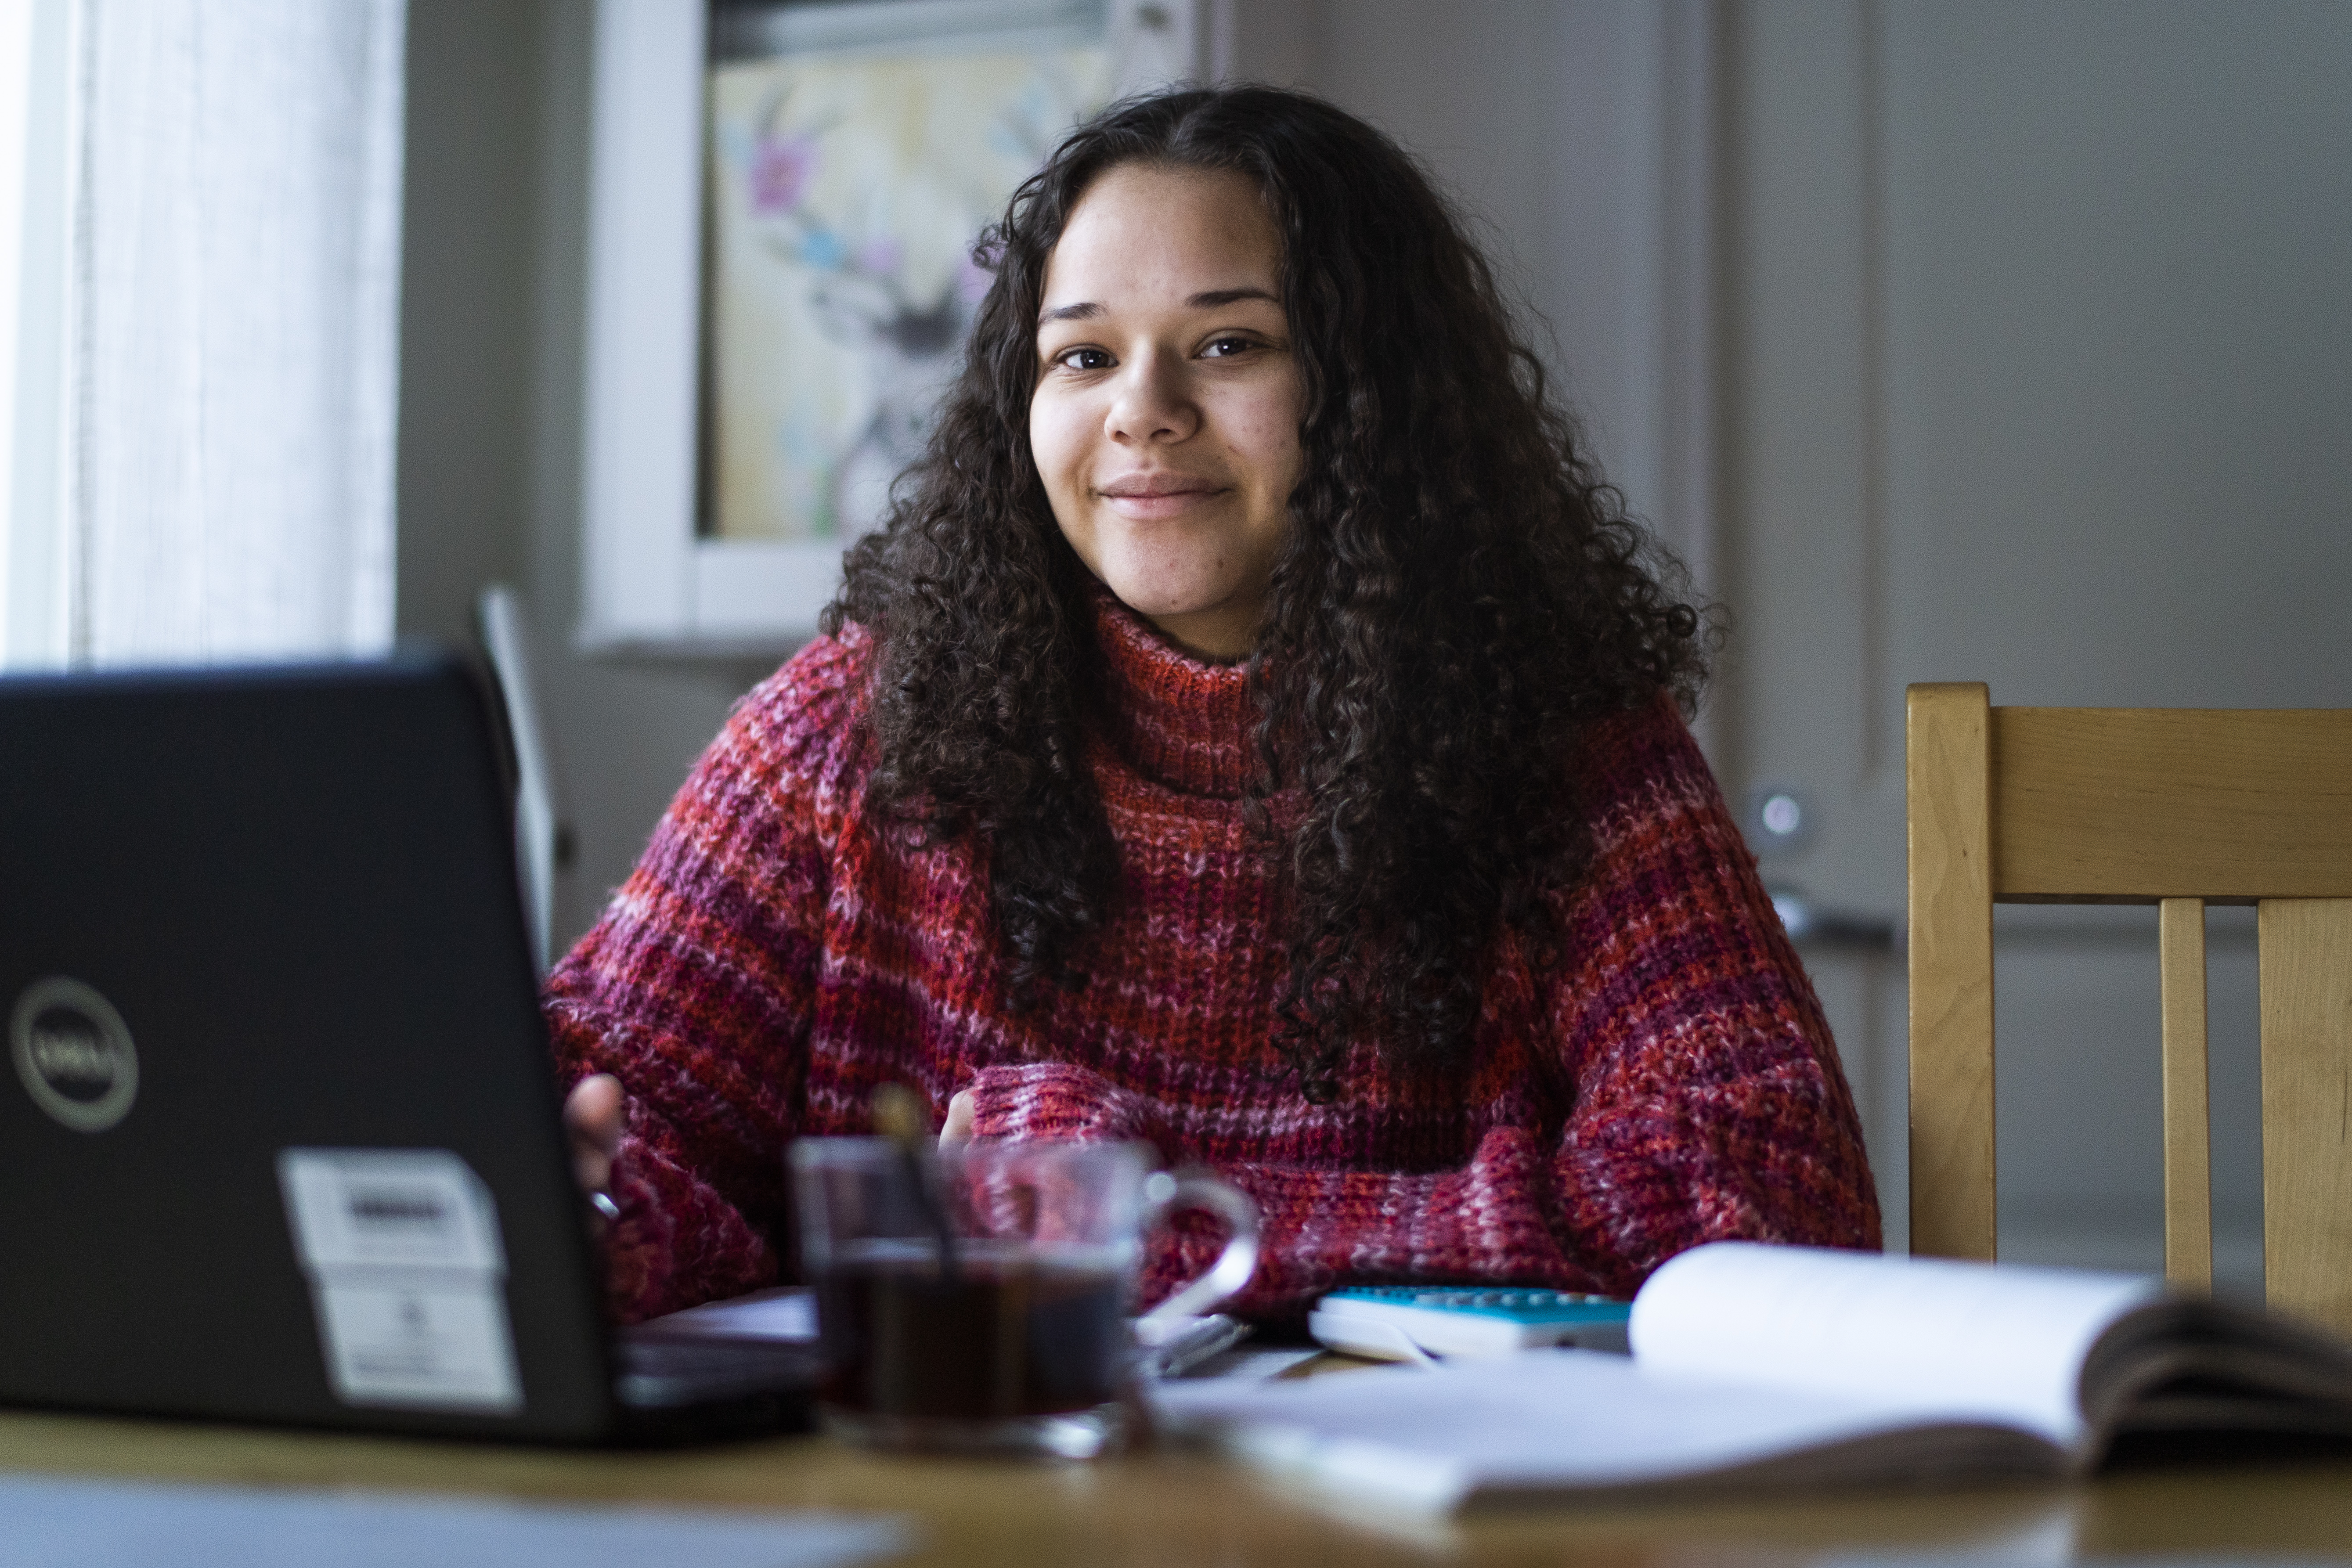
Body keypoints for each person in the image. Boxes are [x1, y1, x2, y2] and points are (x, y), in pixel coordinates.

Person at [551, 84, 1879, 1325]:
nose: (1143, 413)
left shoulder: (1564, 750)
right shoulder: (845, 736)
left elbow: (1765, 1198)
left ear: (1367, 397)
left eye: (1228, 344)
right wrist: (595, 1203)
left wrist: (1163, 1212)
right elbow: (607, 1113)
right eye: (1081, 359)